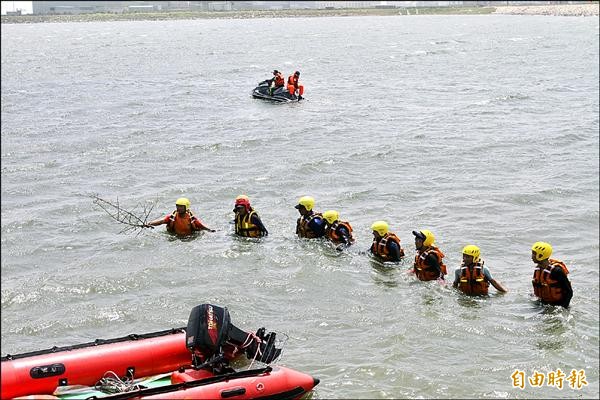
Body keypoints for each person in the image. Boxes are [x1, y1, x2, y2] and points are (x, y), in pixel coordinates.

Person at [531, 241, 573, 308]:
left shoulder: (556, 271)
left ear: (541, 255)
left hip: (558, 305)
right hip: (542, 303)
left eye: (534, 253)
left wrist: (563, 308)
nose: (532, 256)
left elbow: (569, 291)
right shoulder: (538, 269)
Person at [147, 197, 215, 236]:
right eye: (177, 206)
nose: (179, 208)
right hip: (175, 237)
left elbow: (201, 226)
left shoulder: (192, 219)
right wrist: (149, 224)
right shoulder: (172, 217)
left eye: (181, 207)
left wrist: (211, 230)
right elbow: (161, 221)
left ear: (186, 207)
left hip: (189, 238)